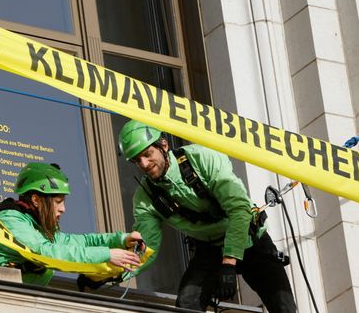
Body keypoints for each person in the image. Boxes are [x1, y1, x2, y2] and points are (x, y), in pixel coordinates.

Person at [117, 120, 296, 312]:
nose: (143, 164)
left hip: (250, 238)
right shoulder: (146, 197)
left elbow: (239, 209)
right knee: (187, 304)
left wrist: (228, 263)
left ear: (163, 145)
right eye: (136, 160)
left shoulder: (201, 158)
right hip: (210, 248)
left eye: (147, 154)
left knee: (284, 308)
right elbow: (145, 246)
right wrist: (108, 272)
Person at [0, 162, 144, 286]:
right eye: (58, 202)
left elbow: (81, 242)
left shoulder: (36, 227)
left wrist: (122, 239)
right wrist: (107, 254)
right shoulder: (11, 221)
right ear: (36, 200)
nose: (63, 209)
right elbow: (47, 252)